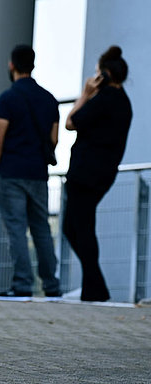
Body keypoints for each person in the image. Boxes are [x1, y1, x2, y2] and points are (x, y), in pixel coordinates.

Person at [0, 45, 61, 301]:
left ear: (12, 65)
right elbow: (53, 139)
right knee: (41, 228)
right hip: (38, 173)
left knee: (17, 229)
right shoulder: (49, 99)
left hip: (11, 172)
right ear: (33, 64)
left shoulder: (7, 99)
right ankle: (51, 285)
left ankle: (22, 284)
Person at [63, 46, 132, 302]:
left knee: (79, 227)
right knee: (77, 227)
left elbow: (71, 121)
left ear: (105, 74)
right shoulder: (123, 101)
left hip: (85, 174)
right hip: (102, 174)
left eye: (96, 73)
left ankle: (96, 289)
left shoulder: (104, 99)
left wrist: (85, 94)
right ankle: (94, 286)